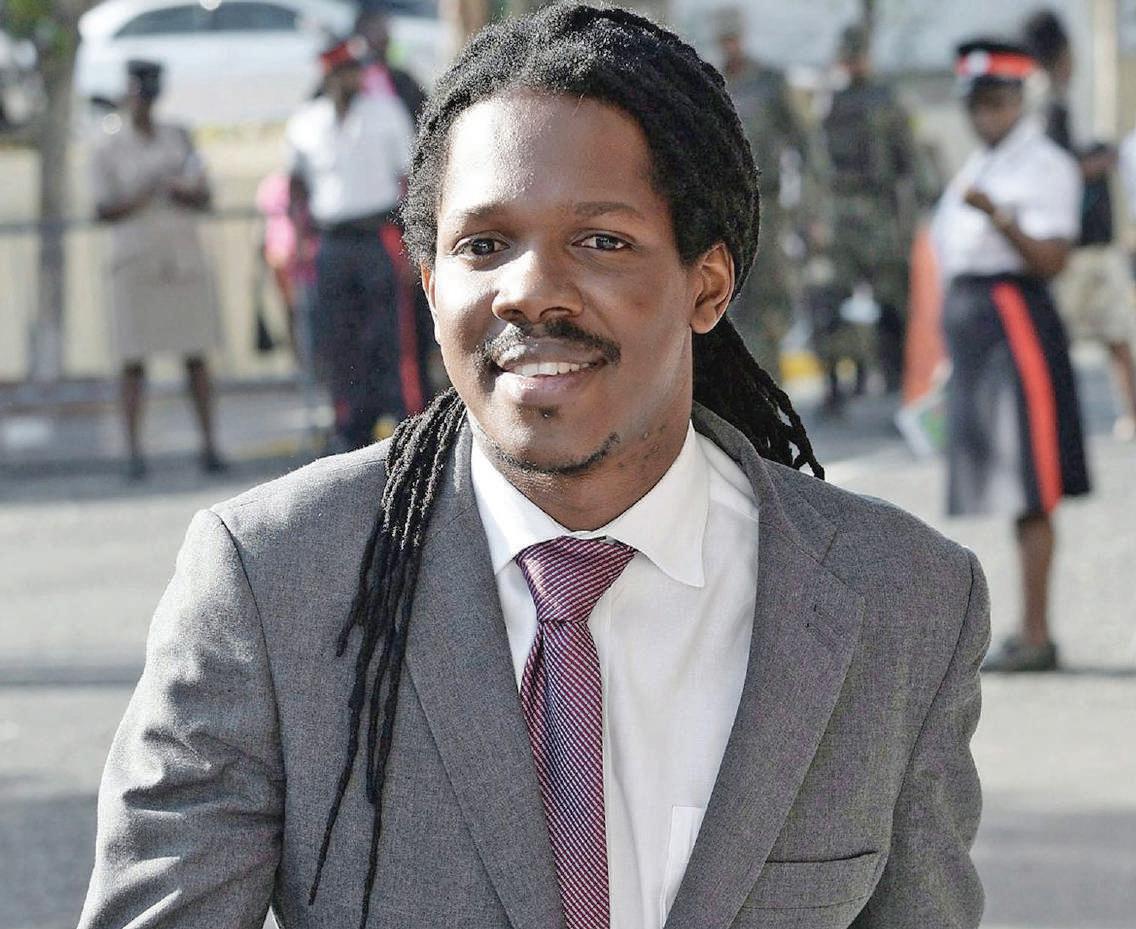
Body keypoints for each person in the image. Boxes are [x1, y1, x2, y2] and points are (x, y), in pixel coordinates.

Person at [79, 8, 988, 929]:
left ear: (707, 284)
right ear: (431, 283)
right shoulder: (271, 581)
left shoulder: (902, 601)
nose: (530, 291)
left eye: (601, 242)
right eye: (483, 245)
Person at [932, 39, 1090, 673]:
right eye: (977, 105)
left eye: (997, 102)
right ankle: (1026, 628)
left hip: (1015, 317)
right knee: (1002, 482)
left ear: (1020, 100)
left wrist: (998, 215)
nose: (986, 115)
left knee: (1033, 482)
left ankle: (1038, 633)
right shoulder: (982, 163)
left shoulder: (1044, 164)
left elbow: (1052, 260)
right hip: (976, 326)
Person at [90, 59, 224, 479]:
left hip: (181, 261)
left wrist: (179, 190)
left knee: (196, 356)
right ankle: (133, 454)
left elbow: (205, 196)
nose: (144, 101)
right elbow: (102, 209)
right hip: (135, 263)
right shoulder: (107, 144)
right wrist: (147, 191)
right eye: (138, 92)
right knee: (132, 361)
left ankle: (209, 447)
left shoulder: (178, 135)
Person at [285, 36, 414, 451]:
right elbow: (296, 186)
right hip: (332, 241)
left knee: (390, 335)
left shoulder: (385, 111)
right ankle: (350, 425)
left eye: (356, 71)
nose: (353, 79)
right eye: (344, 72)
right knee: (340, 338)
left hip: (377, 235)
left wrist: (413, 244)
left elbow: (408, 181)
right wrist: (300, 240)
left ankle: (405, 421)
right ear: (329, 77)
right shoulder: (307, 122)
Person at [1023, 10, 1136, 441]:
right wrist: (1100, 160)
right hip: (1074, 247)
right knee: (1077, 338)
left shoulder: (1045, 100)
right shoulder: (1045, 102)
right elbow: (1061, 168)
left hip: (1080, 244)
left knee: (1113, 335)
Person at [819, 24, 923, 407]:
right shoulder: (827, 102)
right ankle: (837, 383)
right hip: (838, 211)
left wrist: (914, 216)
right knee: (829, 299)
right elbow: (814, 161)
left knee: (891, 299)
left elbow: (909, 159)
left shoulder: (887, 100)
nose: (851, 63)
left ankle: (895, 378)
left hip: (878, 212)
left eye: (856, 55)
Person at [714, 6, 814, 378]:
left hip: (766, 204)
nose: (731, 45)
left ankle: (768, 382)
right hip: (724, 207)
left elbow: (806, 144)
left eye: (734, 37)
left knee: (769, 295)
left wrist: (809, 208)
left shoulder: (770, 83)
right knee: (726, 296)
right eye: (725, 39)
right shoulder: (712, 83)